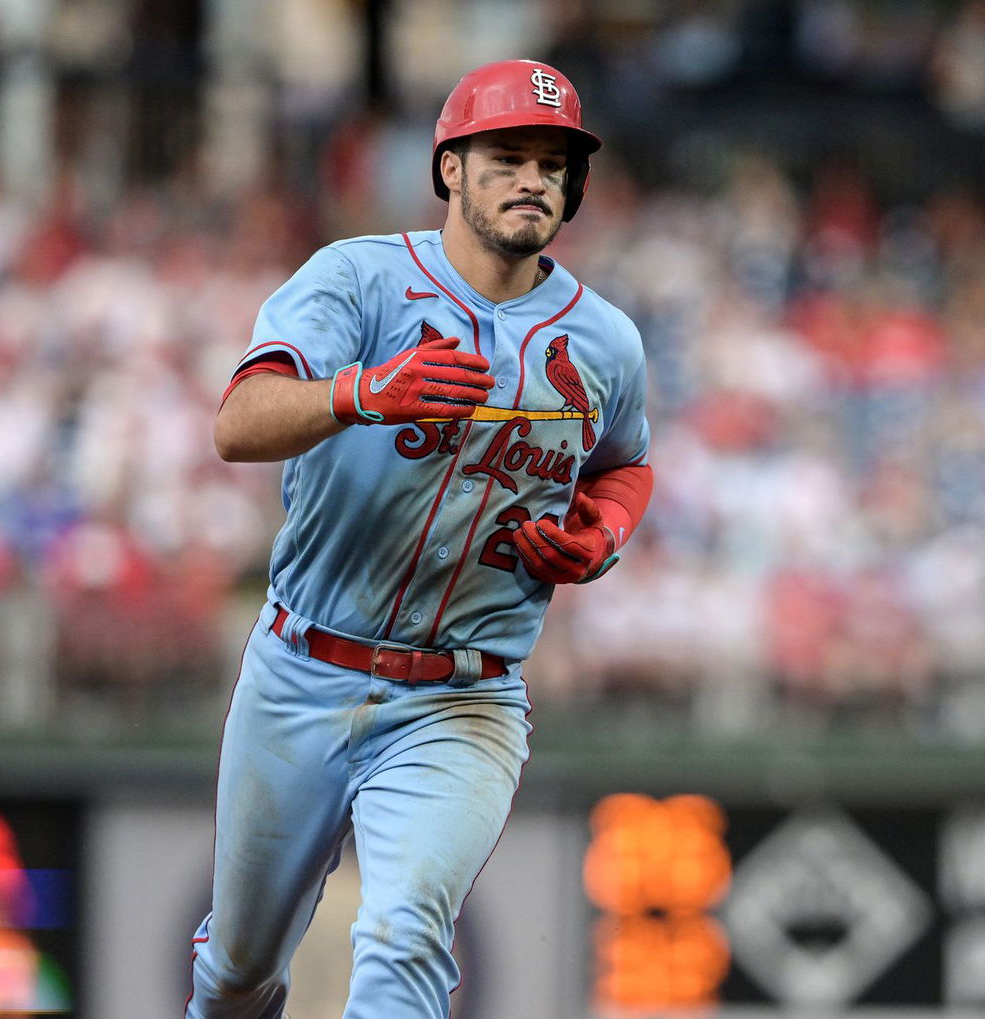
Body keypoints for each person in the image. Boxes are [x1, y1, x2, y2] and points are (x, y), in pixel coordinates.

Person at [186, 59, 654, 1018]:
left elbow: (623, 463)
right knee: (237, 972)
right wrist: (360, 392)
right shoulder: (358, 279)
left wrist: (602, 531)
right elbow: (238, 423)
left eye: (554, 164)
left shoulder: (605, 340)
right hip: (302, 669)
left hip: (463, 697)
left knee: (404, 935)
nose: (535, 180)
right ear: (450, 169)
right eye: (509, 157)